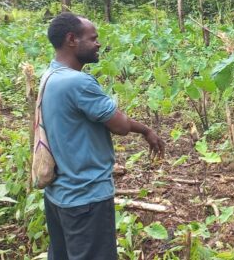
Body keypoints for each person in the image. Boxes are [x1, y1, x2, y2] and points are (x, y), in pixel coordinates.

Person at [41, 13, 166, 260]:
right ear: (71, 40)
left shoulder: (49, 75)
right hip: (85, 197)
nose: (98, 44)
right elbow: (119, 125)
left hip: (58, 195)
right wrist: (146, 130)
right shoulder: (78, 83)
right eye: (93, 38)